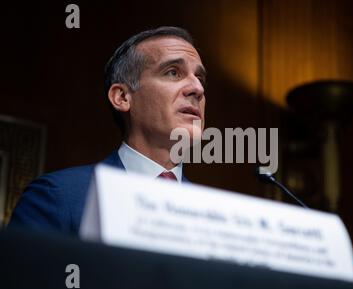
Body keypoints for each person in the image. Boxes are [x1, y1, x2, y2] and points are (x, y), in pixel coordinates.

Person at [8, 26, 206, 235]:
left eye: (200, 78)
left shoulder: (213, 214)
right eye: (173, 72)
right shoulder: (58, 197)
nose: (198, 89)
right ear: (122, 97)